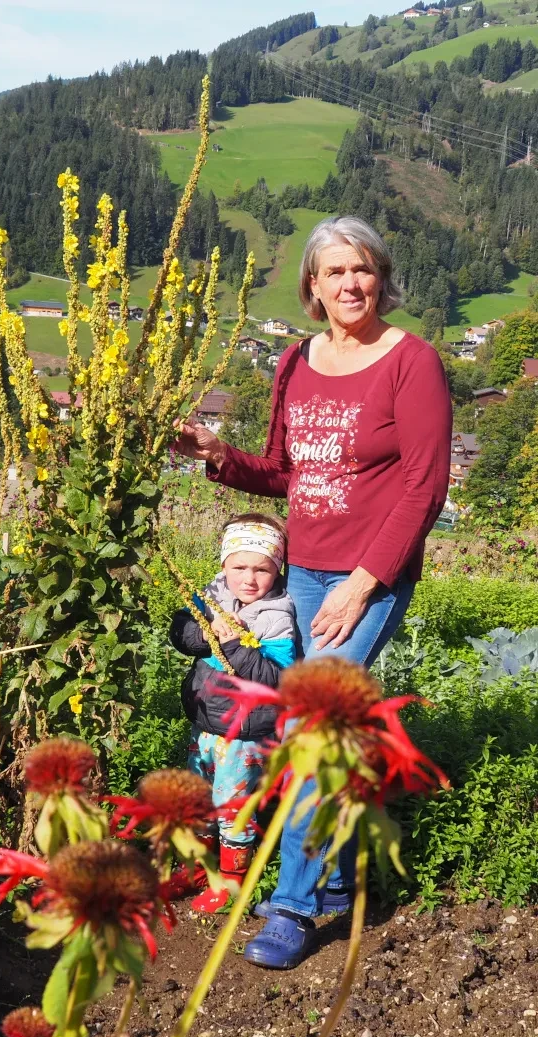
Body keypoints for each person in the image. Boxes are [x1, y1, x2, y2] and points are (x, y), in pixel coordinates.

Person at [174, 215, 451, 968]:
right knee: (294, 723)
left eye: (362, 269)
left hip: (371, 575)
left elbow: (426, 487)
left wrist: (362, 586)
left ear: (381, 277)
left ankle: (292, 905)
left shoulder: (412, 362)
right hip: (302, 570)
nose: (350, 284)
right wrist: (216, 456)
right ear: (312, 285)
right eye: (334, 272)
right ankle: (330, 883)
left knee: (308, 727)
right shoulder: (295, 362)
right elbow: (281, 471)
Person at [169, 513, 296, 914]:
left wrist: (236, 645)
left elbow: (276, 677)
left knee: (232, 807)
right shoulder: (213, 594)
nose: (249, 579)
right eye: (239, 566)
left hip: (245, 734)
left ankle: (230, 882)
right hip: (206, 723)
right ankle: (195, 869)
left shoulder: (277, 616)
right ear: (224, 565)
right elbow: (181, 630)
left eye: (262, 569)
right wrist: (206, 634)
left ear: (279, 569)